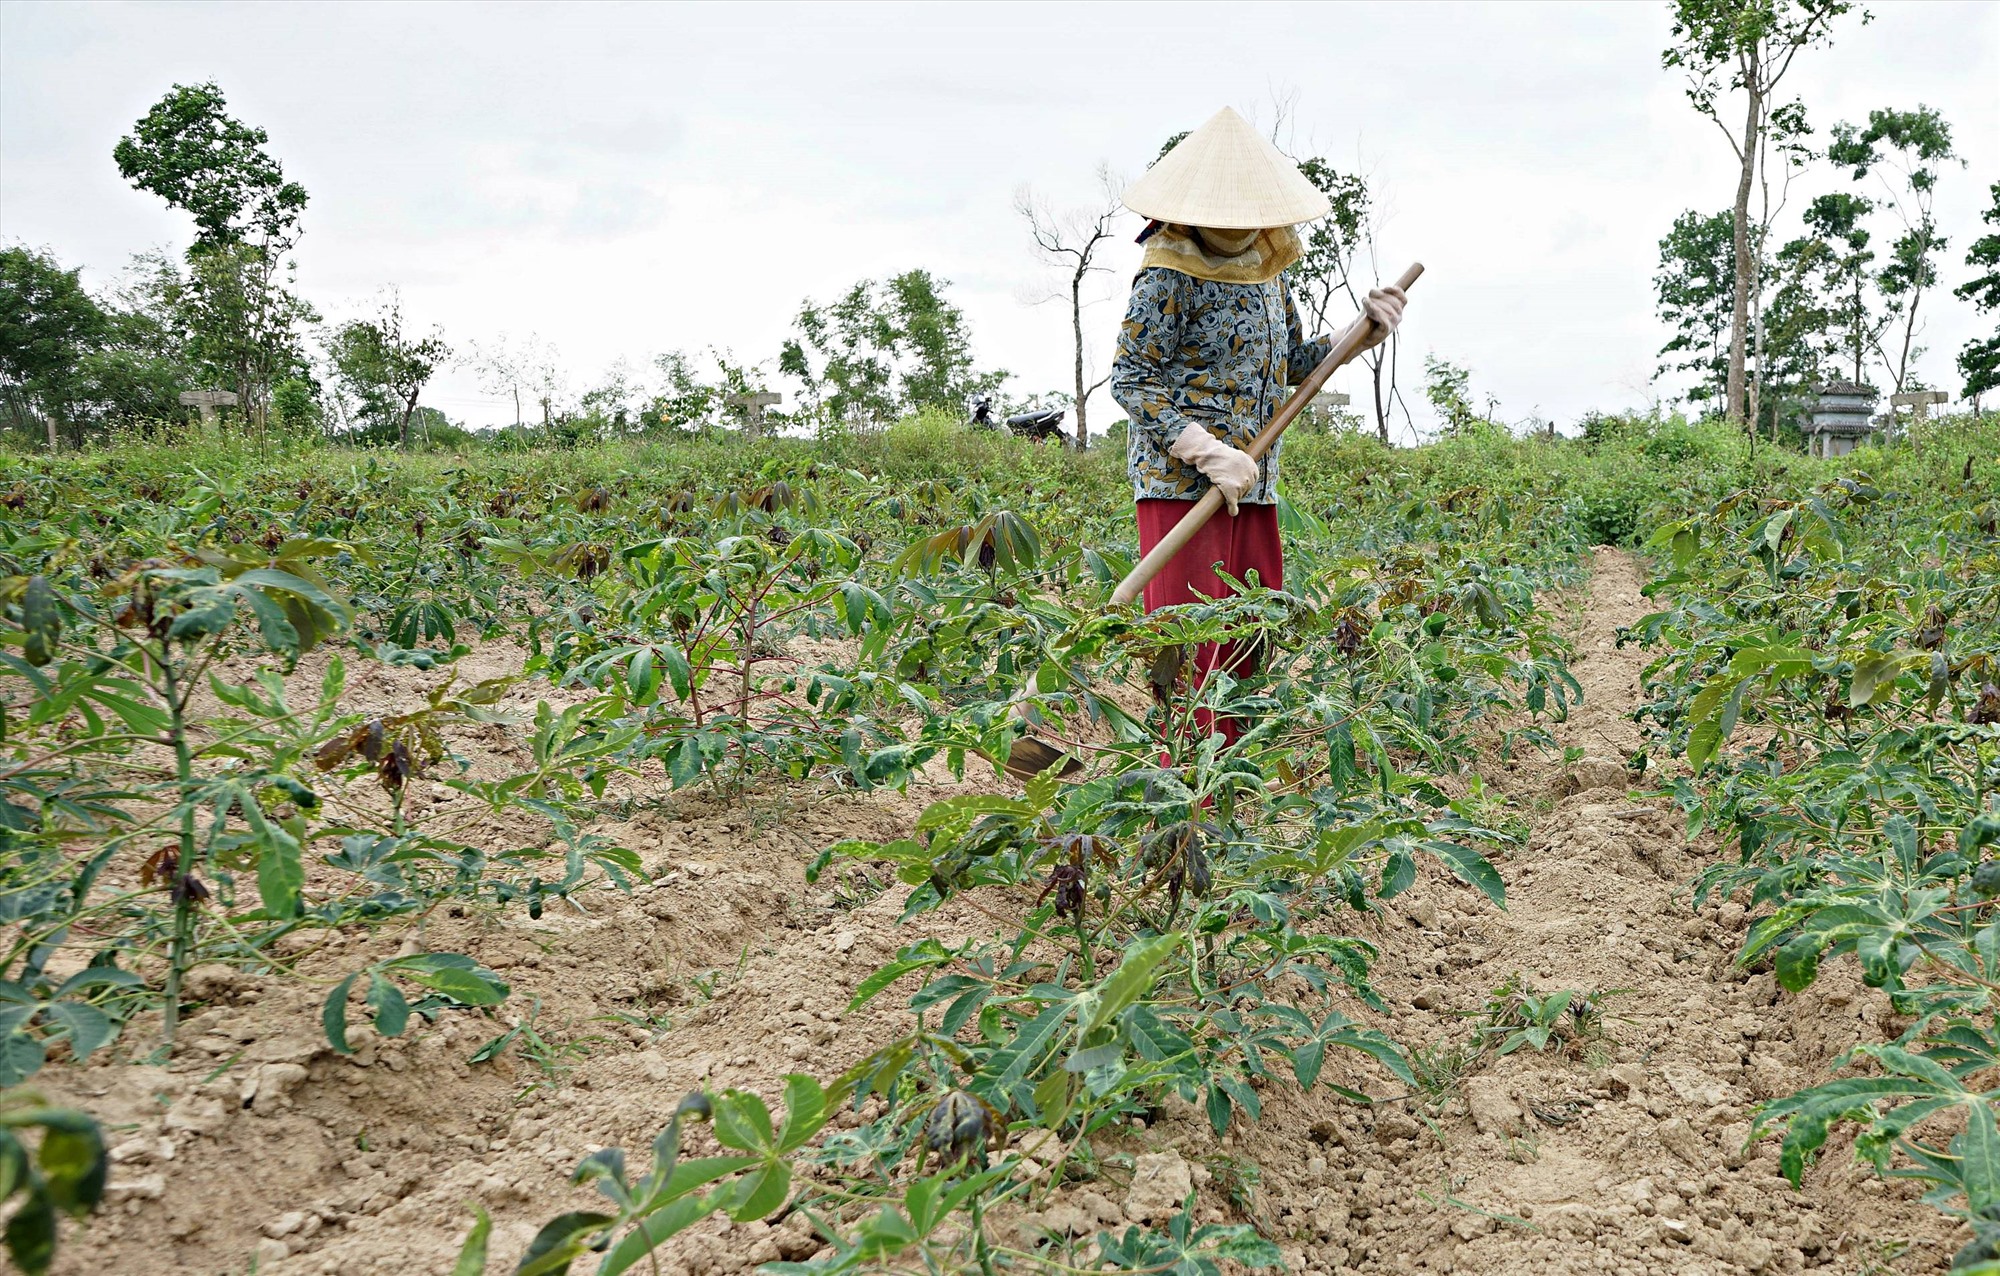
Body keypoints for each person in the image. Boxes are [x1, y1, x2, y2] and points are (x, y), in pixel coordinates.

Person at [1110, 106, 1404, 744]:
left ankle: (1228, 800)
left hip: (1256, 484)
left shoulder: (1270, 275)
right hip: (1185, 490)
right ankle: (1186, 804)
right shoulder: (1167, 274)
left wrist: (1364, 332)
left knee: (1246, 644)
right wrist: (1207, 452)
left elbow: (1295, 362)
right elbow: (1131, 378)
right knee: (1193, 653)